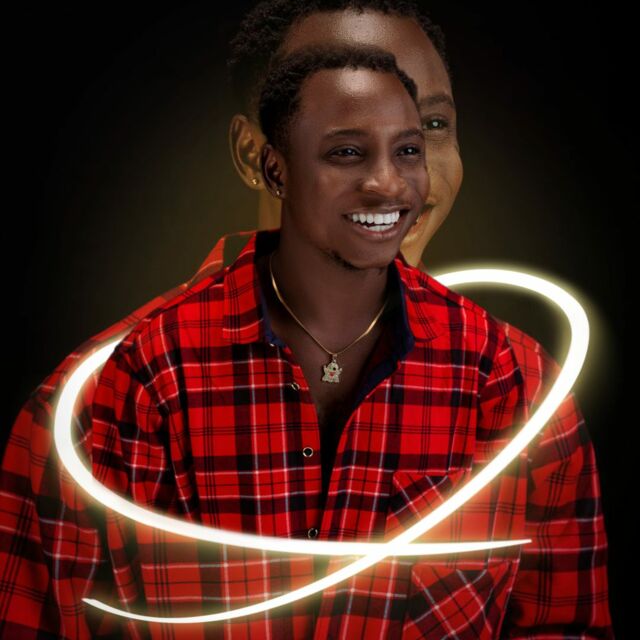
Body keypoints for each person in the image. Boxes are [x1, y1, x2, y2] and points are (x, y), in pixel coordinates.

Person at [0, 2, 613, 638]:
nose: (391, 182)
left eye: (425, 128)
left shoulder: (518, 389)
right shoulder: (103, 401)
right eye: (347, 142)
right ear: (261, 157)